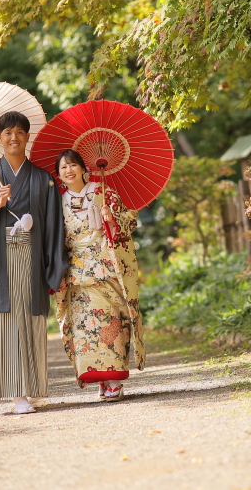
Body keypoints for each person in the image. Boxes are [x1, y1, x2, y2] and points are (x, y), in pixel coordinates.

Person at [0, 111, 68, 414]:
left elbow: (54, 227)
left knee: (31, 322)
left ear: (27, 137)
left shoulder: (44, 179)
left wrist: (54, 267)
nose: (14, 138)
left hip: (32, 257)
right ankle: (15, 394)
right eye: (7, 133)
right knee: (4, 322)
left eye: (20, 132)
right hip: (1, 259)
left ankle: (32, 388)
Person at [54, 150, 145, 401]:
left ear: (85, 169)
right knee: (85, 329)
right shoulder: (58, 202)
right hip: (76, 271)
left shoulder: (104, 191)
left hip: (107, 267)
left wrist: (112, 218)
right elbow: (54, 238)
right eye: (63, 168)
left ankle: (114, 378)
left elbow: (131, 220)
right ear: (59, 175)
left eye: (73, 165)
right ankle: (99, 376)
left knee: (111, 323)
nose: (69, 170)